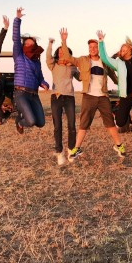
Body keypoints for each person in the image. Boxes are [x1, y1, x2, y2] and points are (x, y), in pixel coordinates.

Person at [60, 29, 125, 159]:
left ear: (98, 48)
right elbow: (67, 57)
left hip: (103, 97)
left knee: (110, 123)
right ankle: (76, 149)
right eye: (91, 47)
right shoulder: (83, 60)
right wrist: (64, 41)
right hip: (89, 96)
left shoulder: (105, 62)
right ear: (88, 49)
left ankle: (119, 146)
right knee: (84, 123)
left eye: (95, 47)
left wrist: (123, 86)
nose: (93, 49)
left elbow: (114, 76)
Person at [98, 15, 132, 149]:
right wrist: (101, 42)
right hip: (126, 97)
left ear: (130, 49)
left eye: (124, 48)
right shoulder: (118, 63)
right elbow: (105, 58)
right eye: (121, 49)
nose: (122, 50)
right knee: (120, 122)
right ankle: (120, 116)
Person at [12, 7, 49, 134]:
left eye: (31, 44)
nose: (28, 45)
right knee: (31, 122)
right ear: (22, 46)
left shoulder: (37, 61)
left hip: (34, 94)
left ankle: (23, 118)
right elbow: (16, 38)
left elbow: (40, 78)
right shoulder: (19, 55)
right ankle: (20, 121)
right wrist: (17, 20)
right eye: (26, 44)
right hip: (21, 93)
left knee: (41, 123)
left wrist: (44, 84)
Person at [46, 34, 80, 165]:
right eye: (59, 52)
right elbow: (48, 57)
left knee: (71, 125)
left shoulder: (72, 67)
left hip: (69, 97)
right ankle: (59, 153)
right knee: (57, 126)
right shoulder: (53, 65)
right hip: (56, 96)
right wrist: (50, 43)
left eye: (63, 51)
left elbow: (81, 77)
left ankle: (71, 150)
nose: (61, 54)